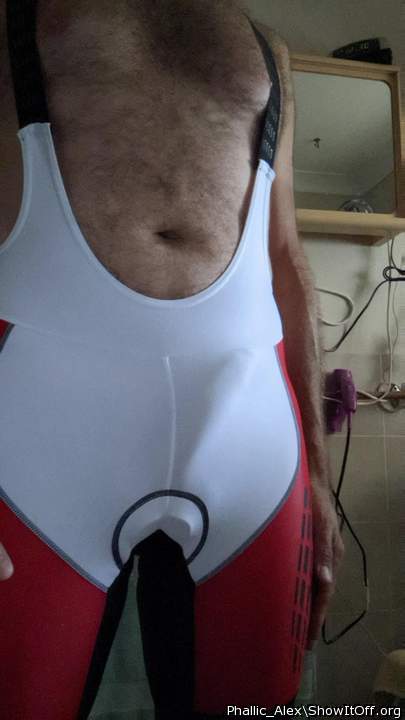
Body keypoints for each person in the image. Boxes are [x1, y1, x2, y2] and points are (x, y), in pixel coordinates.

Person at [0, 1, 344, 718]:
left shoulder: (267, 49)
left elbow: (284, 255)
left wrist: (316, 474)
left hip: (250, 437)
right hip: (38, 431)